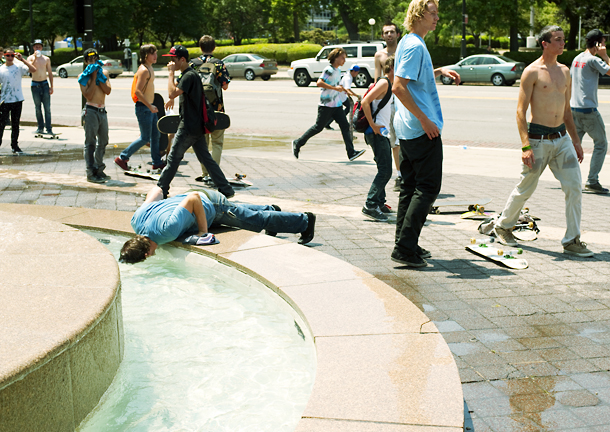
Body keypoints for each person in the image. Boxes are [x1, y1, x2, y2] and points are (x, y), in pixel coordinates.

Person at [494, 25, 592, 257]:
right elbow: (520, 112)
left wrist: (576, 141)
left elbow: (566, 110)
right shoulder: (532, 72)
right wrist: (526, 146)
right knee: (525, 188)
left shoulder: (565, 71)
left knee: (574, 187)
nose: (562, 43)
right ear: (545, 44)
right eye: (557, 40)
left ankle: (572, 240)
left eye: (563, 39)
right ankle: (503, 226)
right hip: (537, 141)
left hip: (562, 140)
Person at [391, 0, 461, 267]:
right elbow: (398, 87)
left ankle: (405, 244)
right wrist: (425, 120)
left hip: (409, 128)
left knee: (410, 188)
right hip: (421, 129)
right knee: (428, 188)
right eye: (433, 13)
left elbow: (412, 79)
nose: (437, 18)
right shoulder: (414, 46)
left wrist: (438, 71)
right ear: (419, 14)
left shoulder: (410, 42)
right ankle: (405, 248)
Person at [118, 186, 316, 264]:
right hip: (196, 200)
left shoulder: (166, 231)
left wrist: (204, 232)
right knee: (241, 213)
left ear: (145, 254)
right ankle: (271, 207)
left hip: (209, 203)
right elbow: (156, 191)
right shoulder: (136, 221)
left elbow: (193, 198)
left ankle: (304, 221)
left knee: (254, 221)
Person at [159, 45, 234, 199]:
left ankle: (161, 189)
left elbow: (172, 92)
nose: (171, 62)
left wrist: (171, 73)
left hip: (188, 127)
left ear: (182, 59)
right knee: (206, 159)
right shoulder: (190, 75)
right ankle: (226, 189)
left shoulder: (188, 76)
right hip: (196, 126)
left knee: (173, 158)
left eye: (173, 59)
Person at [292, 47, 366, 161]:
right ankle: (298, 143)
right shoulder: (329, 69)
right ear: (336, 58)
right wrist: (334, 88)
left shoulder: (338, 71)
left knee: (345, 126)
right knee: (318, 127)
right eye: (342, 58)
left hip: (336, 104)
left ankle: (351, 153)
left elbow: (336, 85)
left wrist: (341, 89)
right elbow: (319, 82)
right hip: (326, 105)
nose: (344, 61)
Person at [570, 29, 610, 194]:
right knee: (601, 144)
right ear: (597, 43)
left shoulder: (577, 58)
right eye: (604, 42)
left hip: (574, 110)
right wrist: (605, 56)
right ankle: (592, 181)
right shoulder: (593, 60)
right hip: (589, 111)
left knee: (573, 146)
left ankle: (569, 179)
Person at [114, 44, 165, 171]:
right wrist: (150, 106)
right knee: (145, 138)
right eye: (152, 54)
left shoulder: (149, 68)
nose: (155, 56)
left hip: (149, 108)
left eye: (156, 53)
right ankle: (122, 157)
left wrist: (152, 106)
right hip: (144, 108)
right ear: (145, 55)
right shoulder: (144, 70)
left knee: (155, 135)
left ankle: (157, 162)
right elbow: (138, 91)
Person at [191, 35, 232, 184]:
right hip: (216, 109)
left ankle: (204, 173)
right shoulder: (219, 64)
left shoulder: (193, 64)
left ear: (200, 47)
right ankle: (214, 174)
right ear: (213, 48)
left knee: (202, 143)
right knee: (217, 143)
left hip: (198, 110)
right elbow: (225, 86)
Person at [361, 56, 395, 222]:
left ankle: (380, 202)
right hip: (376, 133)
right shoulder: (384, 83)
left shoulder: (388, 84)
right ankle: (370, 205)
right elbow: (365, 101)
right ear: (393, 68)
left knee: (383, 167)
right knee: (385, 170)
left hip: (380, 133)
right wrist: (373, 125)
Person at [375, 22, 403, 192]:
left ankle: (409, 174)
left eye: (392, 32)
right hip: (389, 103)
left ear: (398, 34)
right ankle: (400, 176)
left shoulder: (404, 52)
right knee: (393, 141)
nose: (390, 35)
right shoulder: (379, 55)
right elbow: (377, 80)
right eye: (386, 32)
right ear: (383, 35)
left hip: (405, 100)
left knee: (407, 139)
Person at [79, 48, 112, 183]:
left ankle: (99, 168)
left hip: (102, 111)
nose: (93, 61)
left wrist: (99, 76)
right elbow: (88, 95)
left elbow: (108, 90)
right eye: (90, 59)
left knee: (103, 141)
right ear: (86, 61)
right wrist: (92, 77)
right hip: (91, 110)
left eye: (95, 59)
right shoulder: (83, 76)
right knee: (90, 143)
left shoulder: (104, 73)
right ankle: (90, 171)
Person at [0, 48, 37, 154]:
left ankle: (14, 145)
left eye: (12, 55)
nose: (10, 57)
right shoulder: (1, 69)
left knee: (15, 124)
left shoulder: (19, 67)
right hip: (4, 101)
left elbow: (33, 70)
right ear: (4, 56)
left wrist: (23, 60)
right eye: (8, 55)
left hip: (17, 100)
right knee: (1, 124)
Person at [27, 39, 54, 135]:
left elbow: (50, 73)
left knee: (47, 108)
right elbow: (30, 70)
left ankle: (49, 128)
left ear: (42, 47)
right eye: (36, 46)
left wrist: (51, 86)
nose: (37, 48)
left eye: (39, 46)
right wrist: (34, 58)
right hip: (35, 84)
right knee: (37, 108)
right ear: (33, 47)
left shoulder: (46, 59)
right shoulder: (30, 58)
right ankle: (40, 127)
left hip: (44, 84)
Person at [325, 64, 361, 131]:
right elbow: (348, 89)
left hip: (341, 95)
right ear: (354, 71)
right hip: (339, 95)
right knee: (346, 107)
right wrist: (356, 95)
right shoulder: (348, 78)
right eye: (357, 72)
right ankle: (338, 120)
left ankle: (330, 122)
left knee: (338, 110)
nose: (357, 74)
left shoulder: (348, 76)